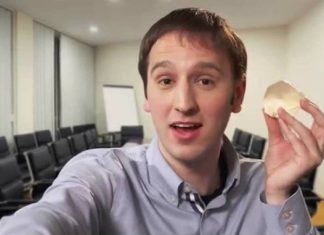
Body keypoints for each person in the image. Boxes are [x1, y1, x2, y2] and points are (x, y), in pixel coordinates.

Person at [0, 7, 323, 235]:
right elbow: (48, 219)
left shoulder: (266, 186)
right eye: (166, 81)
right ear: (147, 95)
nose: (183, 104)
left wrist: (280, 194)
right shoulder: (102, 177)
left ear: (237, 94)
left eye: (205, 81)